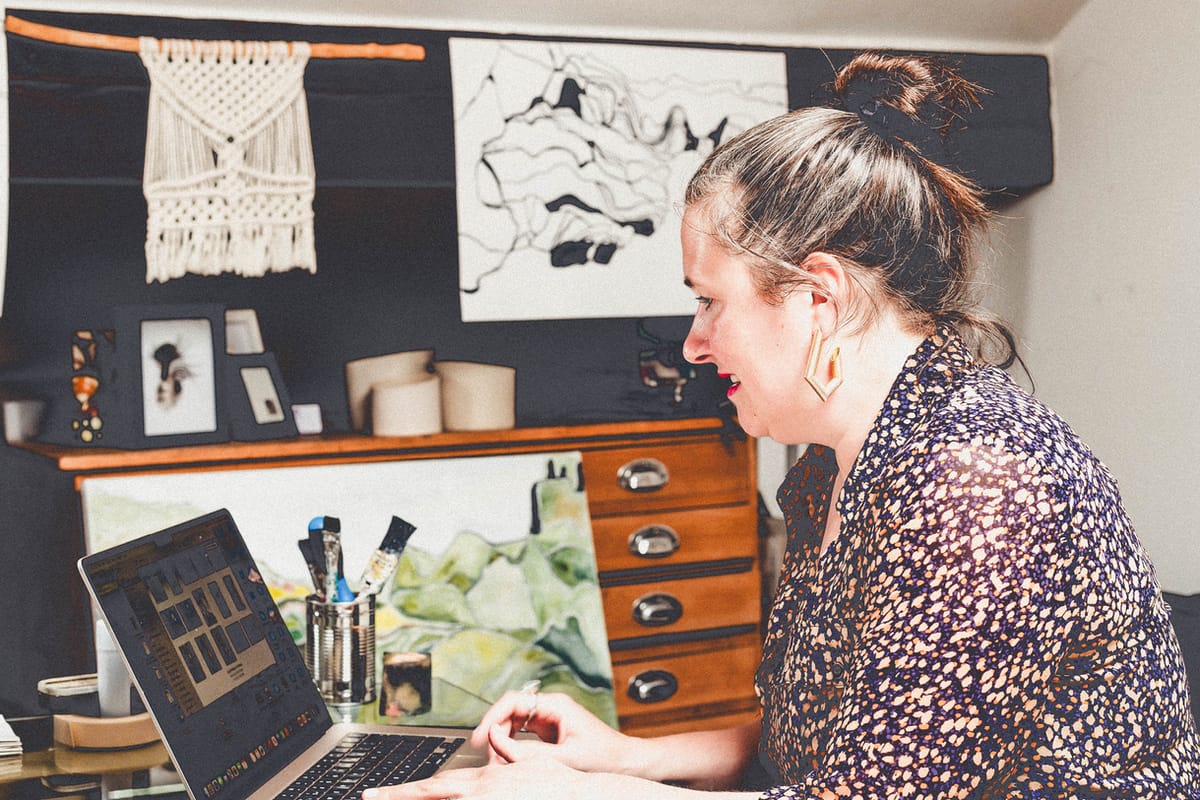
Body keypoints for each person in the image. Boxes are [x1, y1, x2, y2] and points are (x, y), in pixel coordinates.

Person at [364, 51, 1200, 800]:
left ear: (820, 298)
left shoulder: (981, 486)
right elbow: (817, 753)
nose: (692, 342)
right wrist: (622, 758)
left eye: (709, 300)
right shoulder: (825, 471)